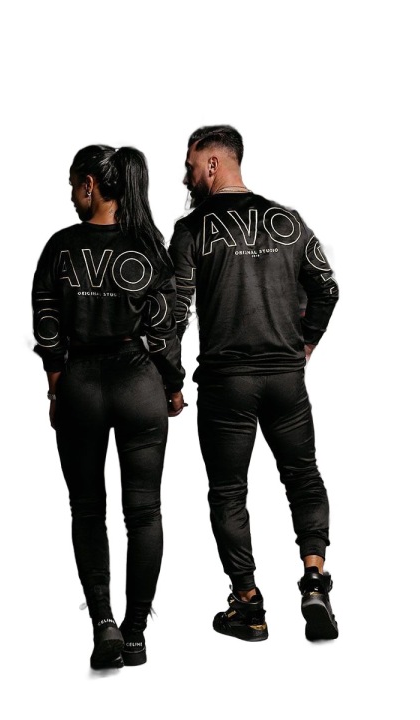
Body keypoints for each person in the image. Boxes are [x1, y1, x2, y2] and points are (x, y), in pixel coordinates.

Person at [168, 125, 339, 642]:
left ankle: (248, 605)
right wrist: (304, 345)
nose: (186, 177)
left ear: (213, 164)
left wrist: (171, 379)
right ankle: (315, 580)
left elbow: (173, 311)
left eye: (191, 166)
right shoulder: (288, 221)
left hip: (228, 385)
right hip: (286, 380)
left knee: (228, 493)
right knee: (303, 477)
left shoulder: (192, 229)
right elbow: (326, 287)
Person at [32, 145, 185, 669]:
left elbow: (46, 321)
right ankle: (135, 632)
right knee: (144, 512)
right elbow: (165, 327)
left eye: (73, 185)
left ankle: (104, 626)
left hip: (81, 386)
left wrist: (56, 386)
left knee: (87, 510)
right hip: (138, 384)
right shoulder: (148, 247)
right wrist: (172, 384)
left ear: (90, 185)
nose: (71, 196)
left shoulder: (60, 247)